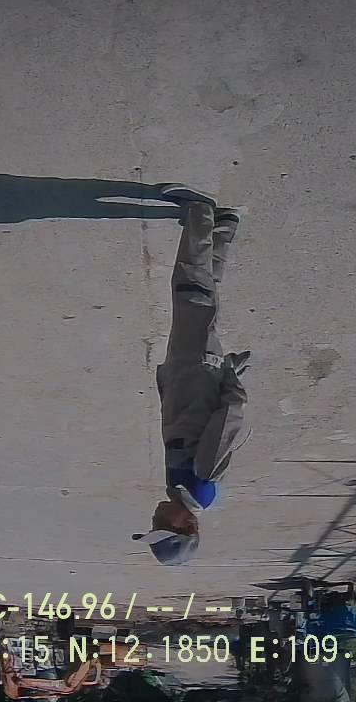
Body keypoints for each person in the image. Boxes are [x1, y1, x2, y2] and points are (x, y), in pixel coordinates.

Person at [132, 184, 251, 565]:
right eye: (162, 525)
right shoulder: (201, 487)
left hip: (185, 372)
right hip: (198, 366)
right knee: (191, 292)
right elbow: (231, 416)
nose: (155, 517)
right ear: (188, 526)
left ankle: (223, 226)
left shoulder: (178, 488)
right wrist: (228, 374)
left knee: (203, 293)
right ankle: (201, 211)